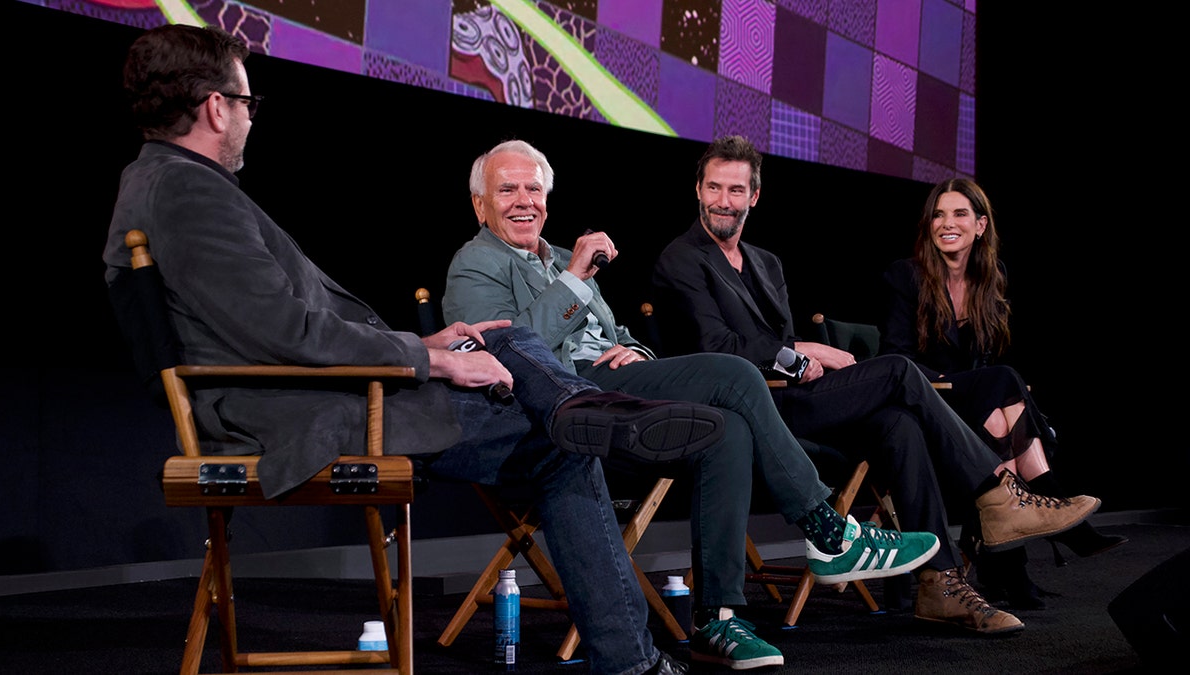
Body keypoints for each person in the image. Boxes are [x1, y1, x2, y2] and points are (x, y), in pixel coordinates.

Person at [100, 24, 745, 675]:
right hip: (301, 415)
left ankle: (587, 410)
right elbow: (285, 333)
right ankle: (629, 645)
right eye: (247, 104)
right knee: (559, 444)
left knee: (501, 337)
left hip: (312, 394)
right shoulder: (188, 193)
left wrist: (424, 343)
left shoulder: (162, 182)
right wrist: (430, 358)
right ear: (216, 106)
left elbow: (276, 325)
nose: (247, 117)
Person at [442, 139, 1087, 657]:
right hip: (572, 408)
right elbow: (513, 352)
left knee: (787, 425)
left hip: (631, 389)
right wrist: (581, 279)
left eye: (534, 189)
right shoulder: (478, 265)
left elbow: (624, 336)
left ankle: (723, 615)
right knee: (811, 375)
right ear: (480, 204)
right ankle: (837, 530)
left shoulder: (562, 257)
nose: (525, 200)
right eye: (509, 190)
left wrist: (632, 350)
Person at [649, 135, 1100, 634]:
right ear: (697, 189)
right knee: (898, 370)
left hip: (791, 397)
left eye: (736, 190)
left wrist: (799, 353)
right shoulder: (682, 258)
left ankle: (940, 583)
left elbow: (770, 340)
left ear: (754, 196)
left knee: (900, 425)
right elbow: (718, 346)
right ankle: (997, 494)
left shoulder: (766, 262)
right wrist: (802, 353)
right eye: (714, 187)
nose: (723, 201)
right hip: (747, 408)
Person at [879, 177, 1127, 607]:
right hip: (926, 399)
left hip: (974, 408)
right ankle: (1051, 533)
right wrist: (967, 385)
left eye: (959, 214)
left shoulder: (992, 277)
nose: (946, 223)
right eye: (939, 214)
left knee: (998, 415)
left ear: (980, 225)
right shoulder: (906, 275)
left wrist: (989, 393)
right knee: (1003, 380)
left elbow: (985, 356)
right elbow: (895, 358)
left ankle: (1010, 570)